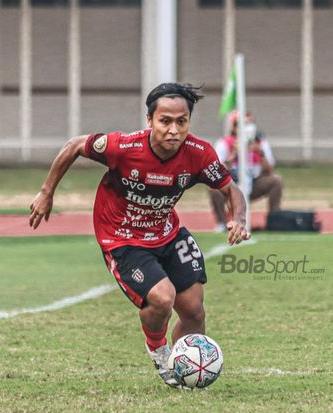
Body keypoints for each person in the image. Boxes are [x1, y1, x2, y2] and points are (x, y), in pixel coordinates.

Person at [30, 83, 250, 388]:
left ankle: (185, 370)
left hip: (167, 234)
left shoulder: (199, 154)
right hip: (122, 238)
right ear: (150, 120)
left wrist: (238, 218)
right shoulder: (123, 147)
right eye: (165, 121)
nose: (173, 130)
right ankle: (159, 350)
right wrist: (46, 192)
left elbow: (230, 188)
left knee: (194, 311)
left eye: (181, 122)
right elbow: (74, 145)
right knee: (162, 298)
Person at [209, 111, 283, 232]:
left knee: (276, 181)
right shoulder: (224, 143)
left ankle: (274, 221)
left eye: (250, 123)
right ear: (234, 127)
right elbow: (217, 171)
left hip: (254, 183)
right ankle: (222, 224)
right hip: (232, 184)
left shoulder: (260, 143)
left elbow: (269, 170)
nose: (247, 127)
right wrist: (233, 154)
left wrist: (260, 152)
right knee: (213, 188)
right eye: (243, 124)